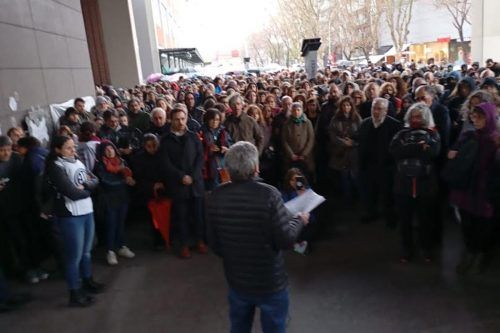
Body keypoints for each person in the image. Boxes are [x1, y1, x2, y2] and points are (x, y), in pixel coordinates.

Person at [206, 141, 309, 333]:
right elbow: (286, 240)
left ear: (228, 168)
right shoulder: (269, 194)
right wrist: (300, 221)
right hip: (269, 281)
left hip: (237, 280)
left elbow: (214, 243)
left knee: (239, 327)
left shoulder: (216, 195)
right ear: (255, 167)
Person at [44, 136, 103, 307]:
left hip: (86, 210)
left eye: (73, 147)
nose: (73, 151)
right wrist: (88, 190)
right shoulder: (55, 166)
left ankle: (87, 280)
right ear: (57, 150)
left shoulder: (76, 160)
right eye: (68, 148)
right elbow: (70, 192)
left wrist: (86, 187)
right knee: (74, 256)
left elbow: (94, 179)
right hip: (70, 214)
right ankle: (74, 292)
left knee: (86, 251)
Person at [449, 103, 499, 274]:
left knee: (483, 227)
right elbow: (455, 153)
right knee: (467, 225)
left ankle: (480, 254)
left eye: (480, 116)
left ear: (490, 118)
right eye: (474, 115)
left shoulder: (495, 140)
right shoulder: (468, 136)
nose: (475, 119)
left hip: (485, 191)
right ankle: (470, 253)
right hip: (466, 188)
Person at [390, 103, 441, 263]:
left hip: (425, 185)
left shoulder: (433, 133)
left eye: (419, 116)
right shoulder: (401, 133)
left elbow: (433, 153)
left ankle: (426, 249)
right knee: (405, 221)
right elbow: (395, 152)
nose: (415, 119)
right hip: (403, 184)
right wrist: (418, 147)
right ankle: (407, 249)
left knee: (426, 220)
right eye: (413, 116)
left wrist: (408, 148)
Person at [159, 107, 206, 258]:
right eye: (177, 119)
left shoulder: (193, 137)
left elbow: (200, 158)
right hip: (178, 185)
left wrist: (192, 176)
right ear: (171, 120)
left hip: (195, 183)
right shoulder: (165, 141)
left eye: (183, 118)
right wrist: (181, 177)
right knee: (182, 216)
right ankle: (184, 244)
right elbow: (166, 164)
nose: (180, 122)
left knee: (198, 214)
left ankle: (200, 240)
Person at [357, 98, 402, 226]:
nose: (375, 112)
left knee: (387, 194)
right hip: (368, 165)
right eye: (373, 108)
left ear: (386, 110)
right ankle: (371, 213)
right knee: (369, 192)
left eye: (379, 109)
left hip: (386, 166)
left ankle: (390, 217)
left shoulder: (395, 125)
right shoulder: (365, 123)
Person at [94, 141, 136, 265]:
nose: (110, 151)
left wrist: (129, 180)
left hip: (122, 197)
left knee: (121, 223)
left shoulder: (122, 162)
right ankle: (110, 251)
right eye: (106, 150)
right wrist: (125, 182)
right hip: (109, 199)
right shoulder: (100, 166)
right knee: (111, 224)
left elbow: (127, 174)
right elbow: (106, 182)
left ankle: (122, 246)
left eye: (111, 148)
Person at [328, 96, 362, 202]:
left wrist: (353, 143)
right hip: (341, 153)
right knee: (344, 178)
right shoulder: (335, 119)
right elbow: (332, 135)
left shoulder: (357, 118)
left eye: (348, 105)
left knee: (355, 177)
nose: (346, 107)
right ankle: (347, 199)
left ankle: (358, 198)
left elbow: (361, 135)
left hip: (353, 153)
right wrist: (343, 143)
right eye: (344, 105)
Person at [199, 109, 232, 191]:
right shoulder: (202, 131)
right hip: (208, 166)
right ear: (207, 119)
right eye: (212, 119)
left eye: (217, 120)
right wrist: (208, 148)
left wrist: (226, 149)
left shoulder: (223, 131)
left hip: (222, 164)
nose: (214, 122)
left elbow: (230, 144)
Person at [281, 102, 315, 179]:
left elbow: (311, 139)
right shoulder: (287, 124)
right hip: (292, 156)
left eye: (298, 110)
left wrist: (304, 154)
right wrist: (291, 154)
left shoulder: (307, 122)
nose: (296, 112)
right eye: (294, 110)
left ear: (302, 111)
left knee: (306, 176)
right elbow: (284, 140)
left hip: (305, 156)